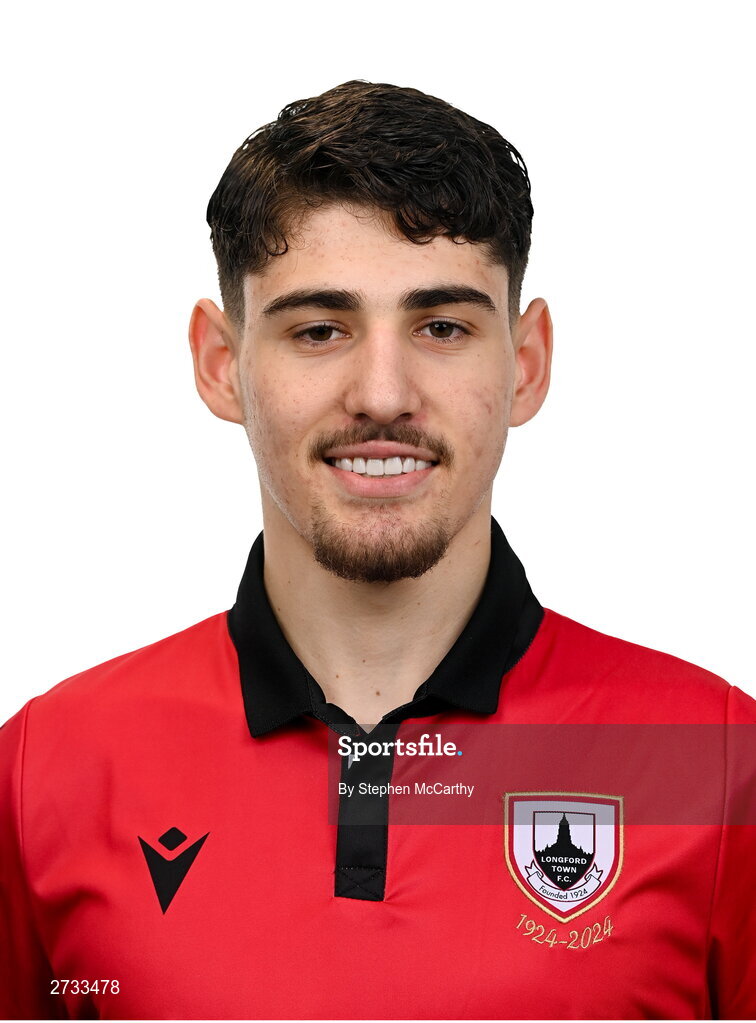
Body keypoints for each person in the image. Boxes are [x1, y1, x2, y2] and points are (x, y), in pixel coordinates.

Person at [1, 80, 754, 1021]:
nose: (384, 393)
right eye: (320, 329)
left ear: (525, 363)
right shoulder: (48, 768)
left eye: (442, 327)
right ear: (221, 363)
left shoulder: (718, 761)